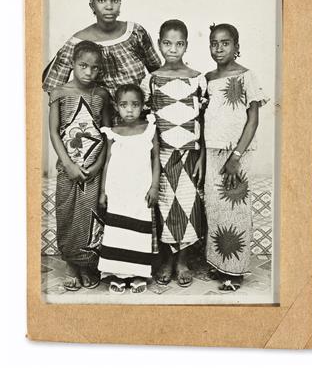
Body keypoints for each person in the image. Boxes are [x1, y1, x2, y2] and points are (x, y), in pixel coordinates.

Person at [43, 0, 161, 114]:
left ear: (120, 3)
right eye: (101, 0)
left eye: (114, 0)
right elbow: (53, 87)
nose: (109, 6)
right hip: (102, 126)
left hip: (140, 120)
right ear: (92, 5)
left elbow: (158, 72)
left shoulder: (135, 33)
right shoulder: (78, 42)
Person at [141, 19, 207, 288]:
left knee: (188, 208)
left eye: (179, 43)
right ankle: (167, 259)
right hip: (163, 154)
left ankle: (182, 260)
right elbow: (147, 120)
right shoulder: (151, 80)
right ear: (159, 44)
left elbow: (205, 117)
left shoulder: (197, 78)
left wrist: (202, 155)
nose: (173, 48)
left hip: (189, 153)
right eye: (167, 43)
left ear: (186, 46)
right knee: (166, 208)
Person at [204, 23, 268, 291]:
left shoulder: (246, 76)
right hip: (212, 152)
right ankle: (219, 263)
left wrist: (236, 155)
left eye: (225, 43)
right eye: (214, 43)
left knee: (236, 209)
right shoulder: (207, 78)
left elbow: (252, 120)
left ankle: (235, 272)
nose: (219, 48)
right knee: (215, 210)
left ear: (236, 46)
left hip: (236, 155)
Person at [48, 41, 111, 291]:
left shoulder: (102, 95)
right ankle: (72, 264)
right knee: (66, 213)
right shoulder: (59, 92)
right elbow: (53, 132)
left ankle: (88, 265)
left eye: (95, 68)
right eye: (83, 66)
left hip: (93, 169)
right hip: (68, 169)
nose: (88, 72)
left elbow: (107, 134)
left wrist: (97, 166)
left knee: (91, 216)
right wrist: (68, 163)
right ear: (72, 64)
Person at [98, 84, 160, 294]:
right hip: (118, 192)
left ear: (143, 106)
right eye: (124, 105)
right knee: (118, 232)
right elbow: (107, 162)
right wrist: (103, 192)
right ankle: (117, 274)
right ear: (116, 107)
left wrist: (154, 186)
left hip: (139, 192)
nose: (130, 110)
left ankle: (138, 273)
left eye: (135, 104)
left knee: (138, 232)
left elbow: (155, 159)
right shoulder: (113, 133)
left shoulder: (149, 128)